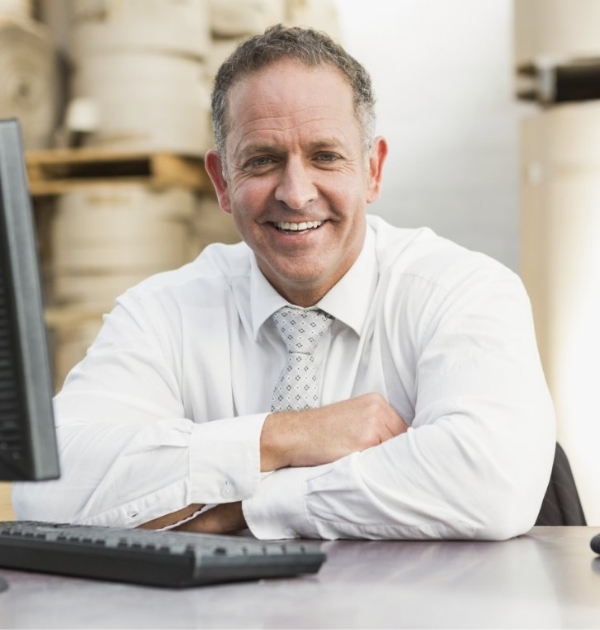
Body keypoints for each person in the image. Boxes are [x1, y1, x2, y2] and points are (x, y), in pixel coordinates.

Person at [14, 25, 555, 540]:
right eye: (263, 161)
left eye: (325, 156)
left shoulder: (462, 291)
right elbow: (48, 485)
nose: (296, 194)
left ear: (373, 170)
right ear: (222, 182)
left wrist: (246, 507)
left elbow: (492, 482)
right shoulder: (161, 311)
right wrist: (285, 435)